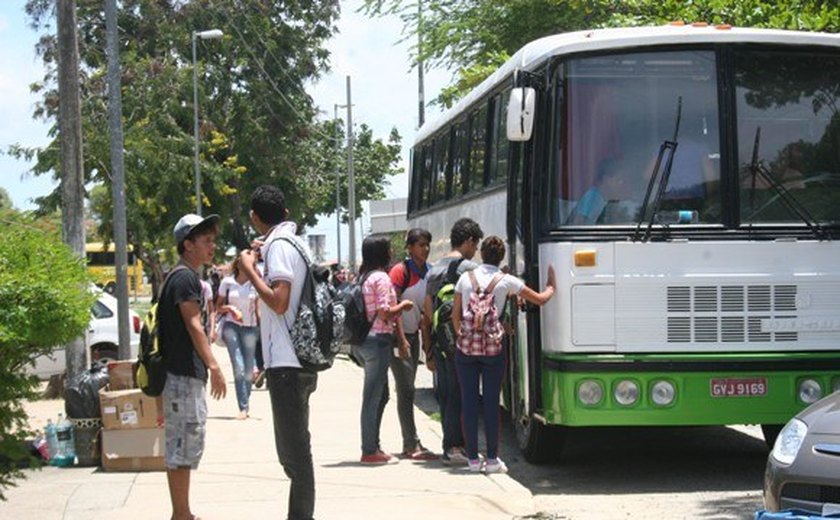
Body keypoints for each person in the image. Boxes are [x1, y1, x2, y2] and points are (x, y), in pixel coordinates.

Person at [238, 185, 318, 520]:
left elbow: (279, 299)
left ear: (255, 218)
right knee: (296, 451)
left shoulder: (280, 248)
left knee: (294, 457)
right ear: (284, 213)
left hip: (287, 362)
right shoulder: (292, 243)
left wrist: (252, 269)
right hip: (298, 359)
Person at [452, 236, 555, 474]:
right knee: (490, 403)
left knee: (468, 403)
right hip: (492, 351)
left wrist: (464, 337)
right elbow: (539, 299)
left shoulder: (464, 279)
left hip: (466, 351)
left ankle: (472, 460)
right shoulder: (507, 280)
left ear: (481, 255)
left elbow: (456, 315)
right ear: (501, 258)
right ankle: (491, 460)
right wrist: (551, 286)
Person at [159, 213, 227, 520]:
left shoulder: (183, 276)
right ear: (187, 244)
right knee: (182, 446)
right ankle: (181, 514)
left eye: (213, 240)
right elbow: (194, 324)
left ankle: (182, 513)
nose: (212, 246)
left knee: (185, 445)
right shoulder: (184, 278)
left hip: (183, 376)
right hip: (182, 376)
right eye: (206, 240)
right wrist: (214, 366)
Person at [420, 217, 484, 466]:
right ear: (469, 241)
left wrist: (428, 350)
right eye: (475, 245)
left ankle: (450, 445)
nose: (475, 250)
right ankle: (457, 447)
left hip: (441, 341)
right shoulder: (468, 268)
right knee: (463, 394)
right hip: (462, 339)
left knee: (447, 395)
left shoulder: (433, 269)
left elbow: (426, 314)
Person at [354, 235, 414, 465]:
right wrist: (403, 306)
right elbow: (384, 312)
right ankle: (369, 449)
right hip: (377, 340)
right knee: (373, 397)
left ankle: (374, 445)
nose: (392, 252)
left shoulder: (364, 277)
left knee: (381, 394)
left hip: (363, 341)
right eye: (388, 248)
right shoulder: (381, 278)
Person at [387, 228, 437, 461]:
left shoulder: (429, 272)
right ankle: (410, 443)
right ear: (409, 248)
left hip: (414, 336)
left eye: (427, 245)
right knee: (406, 391)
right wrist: (402, 339)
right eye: (420, 245)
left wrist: (426, 346)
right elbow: (392, 304)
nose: (425, 249)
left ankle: (411, 441)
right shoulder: (400, 271)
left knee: (408, 390)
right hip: (398, 338)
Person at [215, 255, 260, 419]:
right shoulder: (227, 282)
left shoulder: (255, 283)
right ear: (238, 263)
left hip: (250, 328)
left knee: (248, 370)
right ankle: (243, 407)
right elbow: (217, 306)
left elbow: (258, 308)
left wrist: (262, 330)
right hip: (231, 326)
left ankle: (245, 404)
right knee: (239, 366)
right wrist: (230, 309)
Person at [570, 158, 629, 224]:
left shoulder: (608, 200)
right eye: (618, 180)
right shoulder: (593, 197)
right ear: (606, 179)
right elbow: (578, 224)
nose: (621, 184)